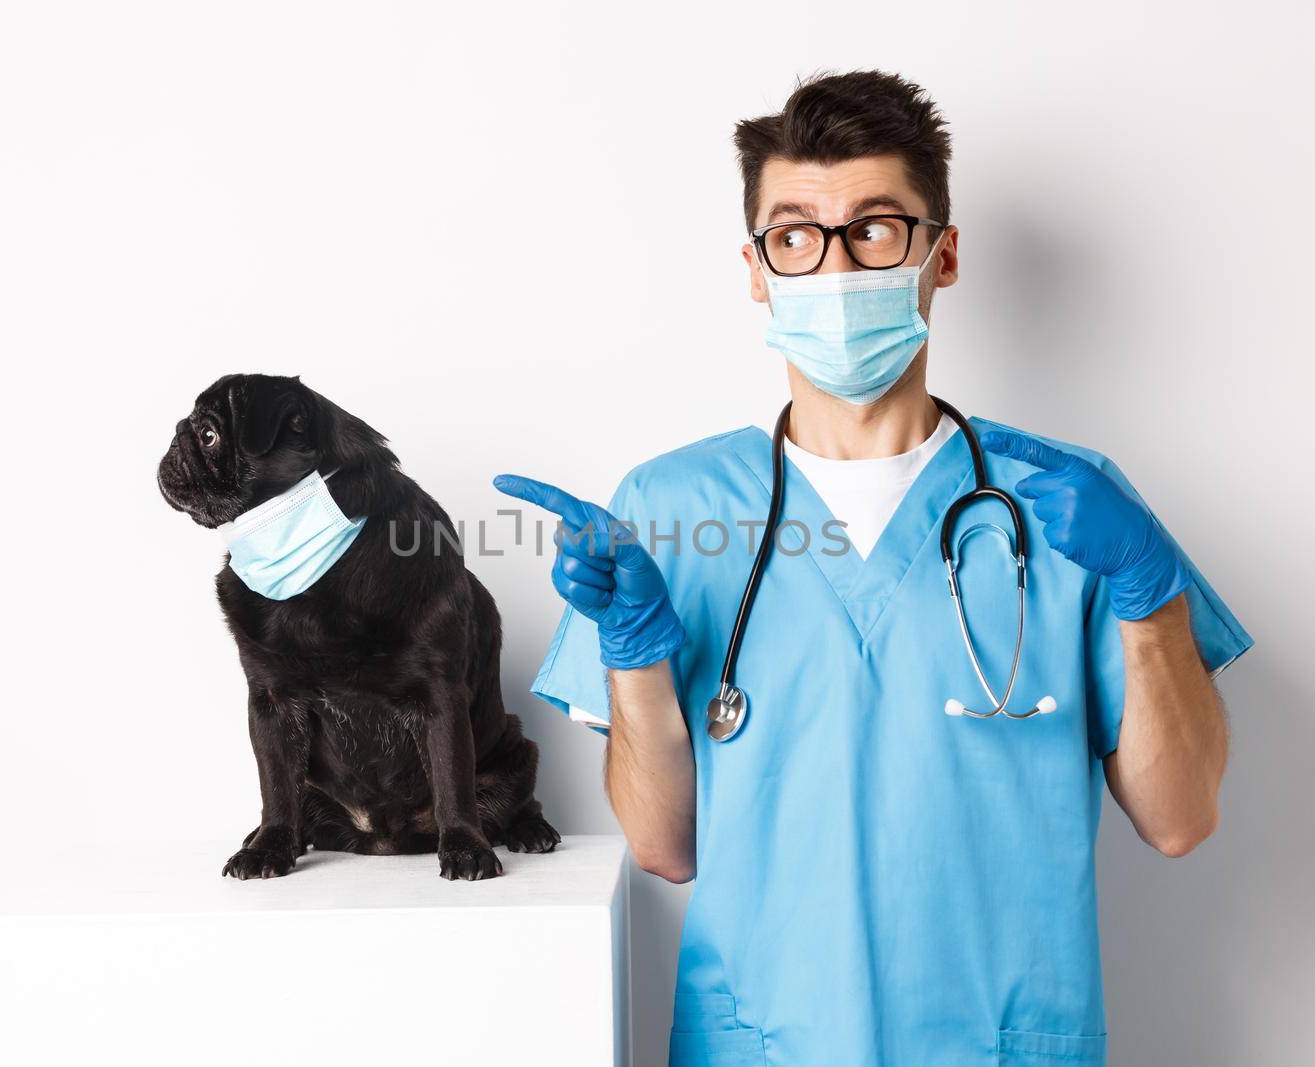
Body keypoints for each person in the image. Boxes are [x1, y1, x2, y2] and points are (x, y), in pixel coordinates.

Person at [495, 71, 1250, 1067]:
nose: (836, 263)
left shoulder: (1071, 501)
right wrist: (633, 655)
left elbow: (1181, 818)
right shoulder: (666, 508)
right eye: (796, 233)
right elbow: (664, 847)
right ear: (758, 269)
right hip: (762, 1041)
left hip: (999, 1043)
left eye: (877, 226)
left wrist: (1151, 598)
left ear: (942, 255)